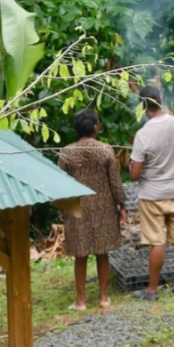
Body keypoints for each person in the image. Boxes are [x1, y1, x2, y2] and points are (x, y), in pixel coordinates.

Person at [130, 86, 174, 300]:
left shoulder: (143, 135)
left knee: (157, 241)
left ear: (143, 107)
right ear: (161, 100)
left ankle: (151, 290)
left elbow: (135, 175)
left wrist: (133, 166)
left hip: (152, 195)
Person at [59, 108, 127, 311]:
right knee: (102, 252)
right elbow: (115, 183)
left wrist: (62, 208)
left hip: (76, 207)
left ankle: (80, 301)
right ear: (95, 127)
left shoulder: (66, 152)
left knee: (81, 254)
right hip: (103, 207)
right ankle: (103, 298)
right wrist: (122, 205)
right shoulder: (106, 150)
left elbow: (61, 183)